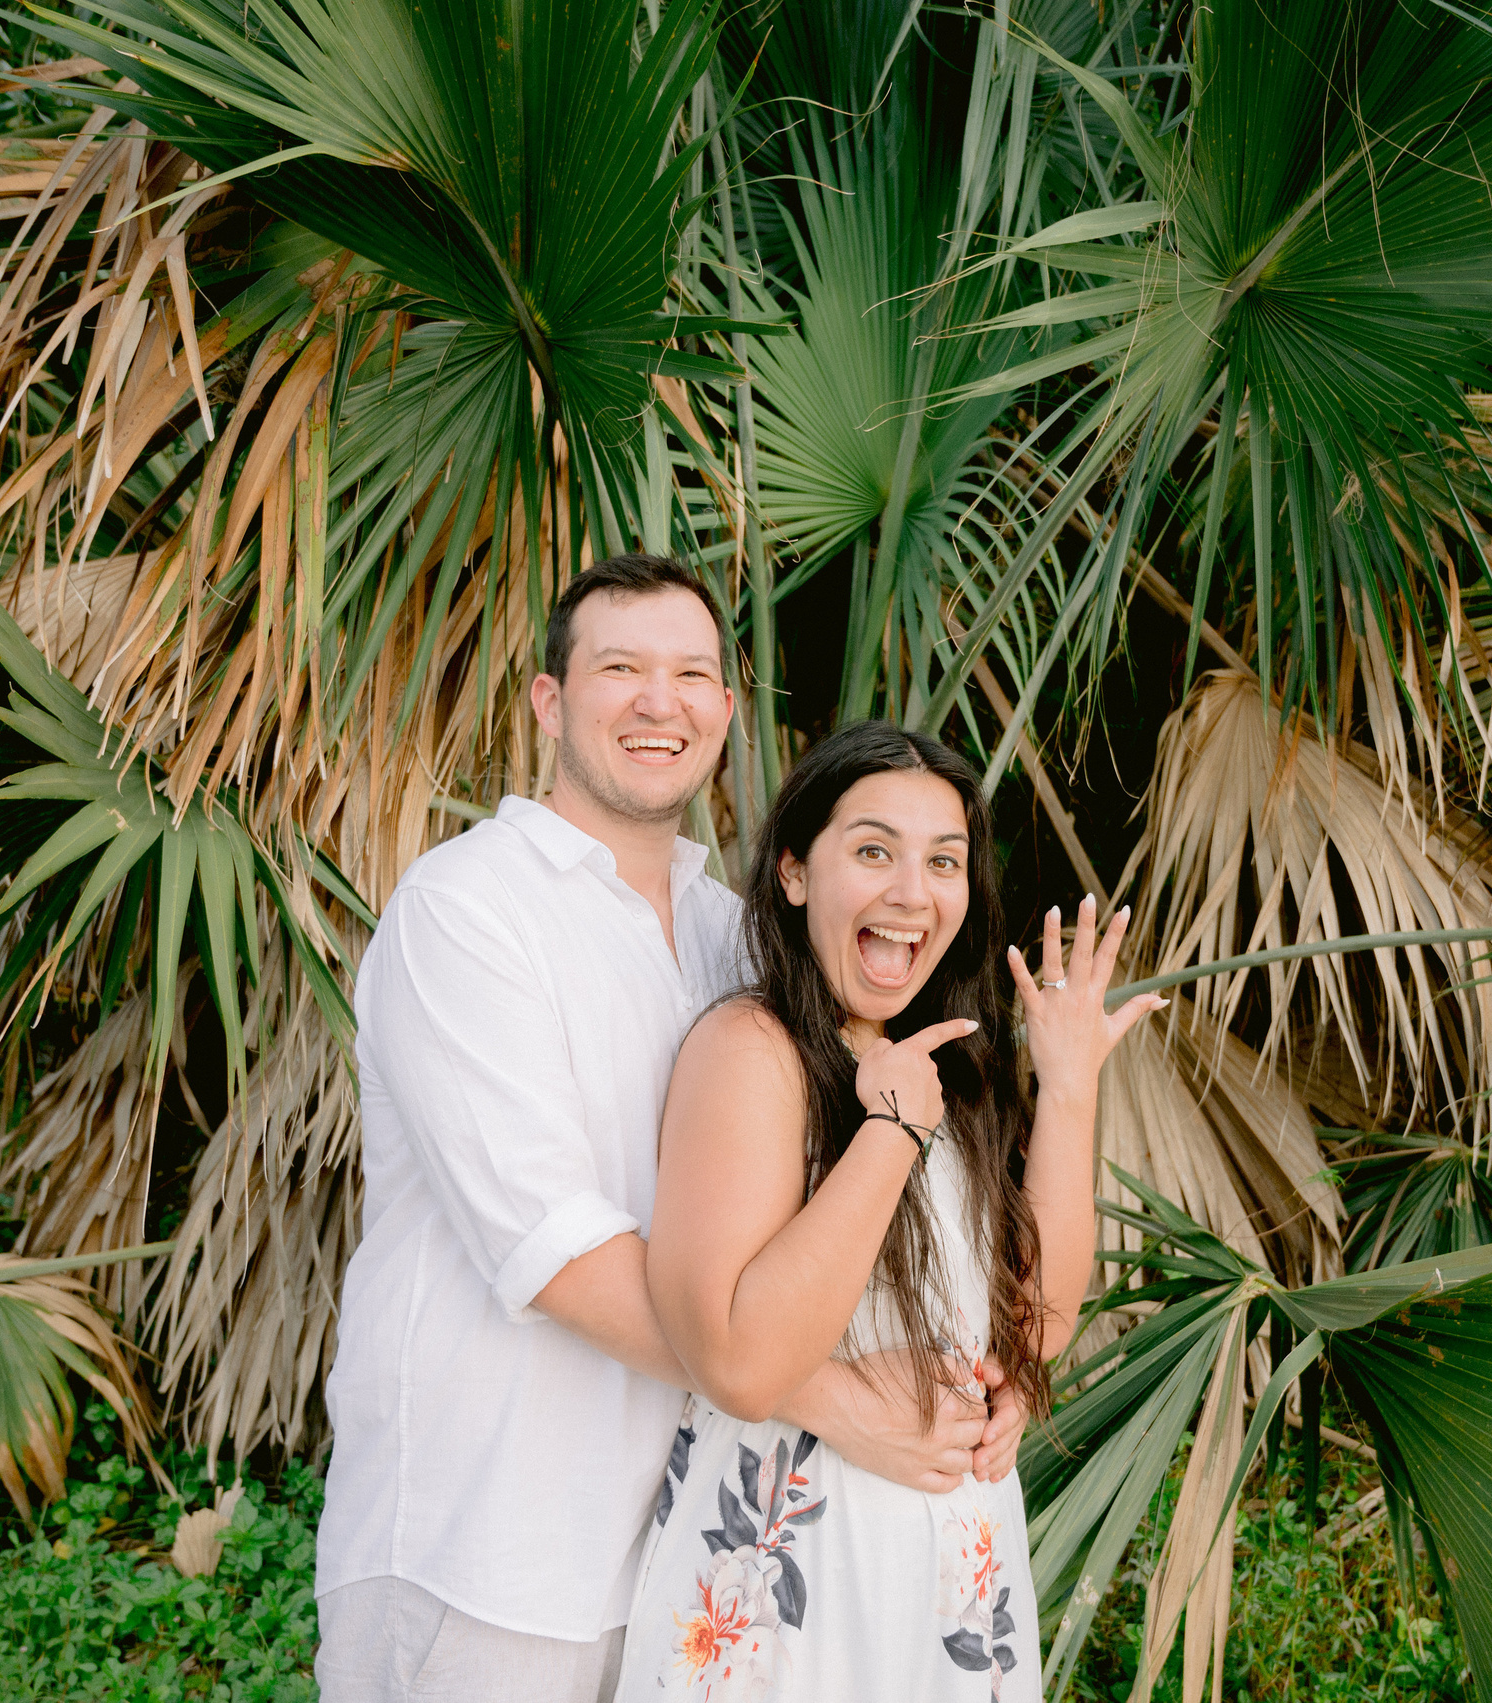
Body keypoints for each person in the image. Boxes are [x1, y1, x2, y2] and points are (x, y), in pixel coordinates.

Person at [313, 557, 1025, 1703]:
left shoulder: (733, 937)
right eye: (620, 669)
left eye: (692, 672)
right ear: (550, 702)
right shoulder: (465, 910)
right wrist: (839, 1401)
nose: (661, 700)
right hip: (491, 1551)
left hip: (688, 1552)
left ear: (726, 714)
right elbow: (561, 1251)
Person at [616, 721, 1163, 1701]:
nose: (914, 890)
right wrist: (891, 1132)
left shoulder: (954, 1072)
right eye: (874, 849)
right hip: (795, 1577)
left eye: (943, 860)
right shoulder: (755, 1049)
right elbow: (736, 1356)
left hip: (949, 1579)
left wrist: (1071, 1085)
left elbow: (1036, 1326)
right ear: (793, 872)